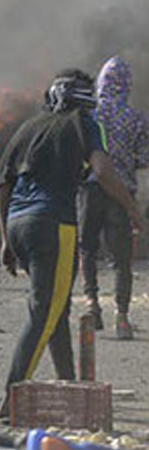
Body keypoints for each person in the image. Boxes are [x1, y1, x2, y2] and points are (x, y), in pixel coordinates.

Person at [0, 70, 147, 417]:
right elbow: (104, 170)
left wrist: (5, 240)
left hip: (18, 224)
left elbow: (3, 185)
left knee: (56, 307)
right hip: (54, 225)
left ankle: (69, 383)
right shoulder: (84, 122)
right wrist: (134, 210)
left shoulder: (30, 127)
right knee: (44, 310)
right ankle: (11, 396)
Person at [79, 57, 149, 339]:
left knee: (88, 248)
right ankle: (121, 317)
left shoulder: (89, 116)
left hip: (91, 189)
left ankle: (91, 304)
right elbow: (144, 159)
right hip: (122, 195)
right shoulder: (137, 119)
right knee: (121, 260)